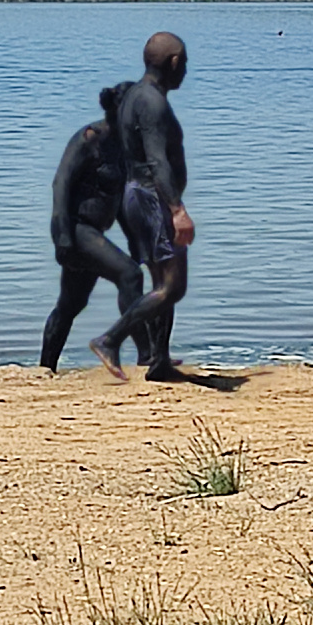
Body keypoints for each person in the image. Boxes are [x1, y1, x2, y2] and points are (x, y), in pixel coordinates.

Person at [89, 32, 194, 382]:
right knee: (173, 287)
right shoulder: (152, 102)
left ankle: (160, 361)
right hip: (152, 198)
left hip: (137, 194)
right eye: (185, 63)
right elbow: (156, 160)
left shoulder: (135, 94)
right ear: (174, 63)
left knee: (161, 280)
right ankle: (110, 339)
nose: (186, 70)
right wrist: (177, 209)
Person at [39, 83, 151, 373]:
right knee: (129, 275)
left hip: (94, 233)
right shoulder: (89, 139)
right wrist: (62, 236)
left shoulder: (125, 148)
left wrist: (135, 241)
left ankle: (45, 369)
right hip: (75, 229)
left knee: (70, 304)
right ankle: (146, 357)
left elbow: (121, 200)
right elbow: (60, 184)